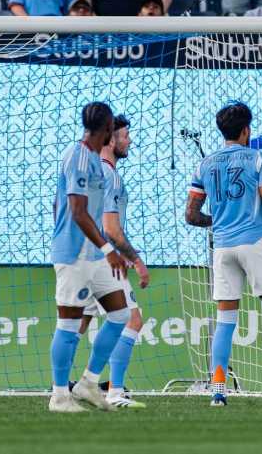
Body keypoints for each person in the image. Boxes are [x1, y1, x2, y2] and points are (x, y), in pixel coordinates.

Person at [185, 102, 262, 407]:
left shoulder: (206, 165)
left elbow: (191, 214)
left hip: (223, 247)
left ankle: (217, 390)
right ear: (246, 130)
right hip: (253, 242)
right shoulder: (258, 159)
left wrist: (218, 221)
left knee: (225, 320)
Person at [47, 102, 129, 413]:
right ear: (107, 128)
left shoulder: (93, 159)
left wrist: (103, 250)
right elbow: (77, 212)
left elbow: (60, 207)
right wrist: (110, 250)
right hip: (75, 254)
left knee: (119, 315)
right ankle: (59, 396)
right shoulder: (78, 156)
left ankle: (88, 383)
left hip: (94, 254)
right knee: (68, 324)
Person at [76, 114, 150, 409]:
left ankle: (61, 387)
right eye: (124, 135)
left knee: (78, 322)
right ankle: (115, 392)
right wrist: (136, 260)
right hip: (105, 259)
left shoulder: (95, 171)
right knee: (132, 319)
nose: (129, 140)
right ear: (111, 139)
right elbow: (112, 229)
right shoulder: (110, 175)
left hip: (86, 257)